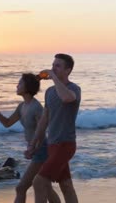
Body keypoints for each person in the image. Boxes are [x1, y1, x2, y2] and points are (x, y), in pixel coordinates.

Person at [0, 74, 60, 203]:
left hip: (42, 149)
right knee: (46, 187)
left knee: (21, 188)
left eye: (20, 83)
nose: (17, 86)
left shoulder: (36, 107)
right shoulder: (22, 106)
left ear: (27, 87)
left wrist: (33, 148)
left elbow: (42, 131)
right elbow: (7, 123)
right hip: (36, 149)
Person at [26, 53, 81, 203]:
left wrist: (54, 77)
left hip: (66, 144)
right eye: (52, 65)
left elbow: (66, 98)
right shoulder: (50, 92)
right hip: (52, 145)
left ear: (68, 70)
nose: (53, 68)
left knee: (38, 181)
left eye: (58, 66)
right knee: (66, 185)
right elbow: (44, 120)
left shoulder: (74, 89)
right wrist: (33, 143)